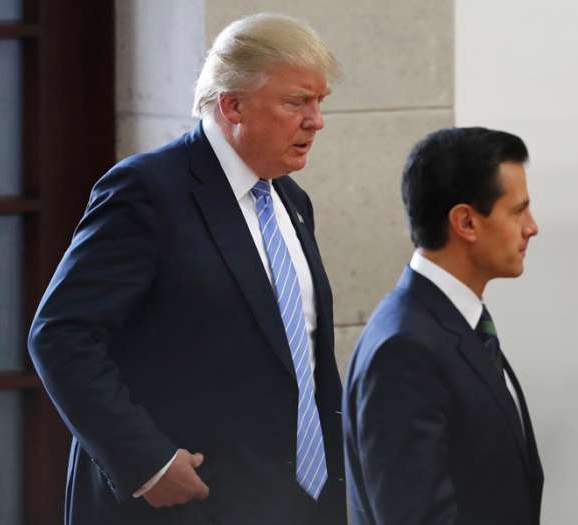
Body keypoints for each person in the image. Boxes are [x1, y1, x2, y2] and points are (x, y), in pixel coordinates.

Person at [28, 13, 347, 525]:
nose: (316, 120)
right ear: (232, 104)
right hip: (183, 504)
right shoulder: (146, 191)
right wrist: (145, 463)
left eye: (319, 102)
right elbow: (61, 336)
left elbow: (303, 360)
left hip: (289, 503)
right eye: (296, 102)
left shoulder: (291, 200)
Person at [342, 127, 544, 525]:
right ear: (466, 222)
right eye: (517, 210)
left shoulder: (454, 323)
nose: (531, 227)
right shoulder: (404, 349)